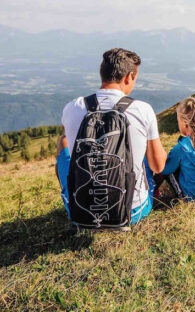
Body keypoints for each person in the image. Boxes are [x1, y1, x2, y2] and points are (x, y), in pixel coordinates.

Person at [56, 48, 168, 226]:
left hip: (81, 213)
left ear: (103, 74)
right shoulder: (143, 109)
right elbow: (158, 165)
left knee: (63, 142)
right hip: (132, 212)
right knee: (143, 155)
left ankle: (75, 194)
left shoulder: (72, 108)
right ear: (128, 77)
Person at [155, 97, 195, 200]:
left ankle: (153, 191)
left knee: (165, 164)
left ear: (185, 124)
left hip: (190, 198)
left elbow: (165, 169)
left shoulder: (182, 147)